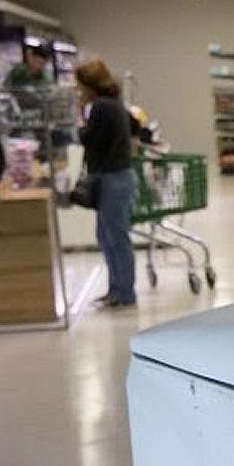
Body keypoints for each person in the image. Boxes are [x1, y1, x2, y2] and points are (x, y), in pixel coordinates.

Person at [75, 57, 136, 308]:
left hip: (112, 178)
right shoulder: (114, 103)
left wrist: (80, 122)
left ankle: (124, 293)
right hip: (117, 176)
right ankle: (117, 289)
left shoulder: (100, 107)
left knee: (115, 237)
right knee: (107, 236)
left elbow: (91, 140)